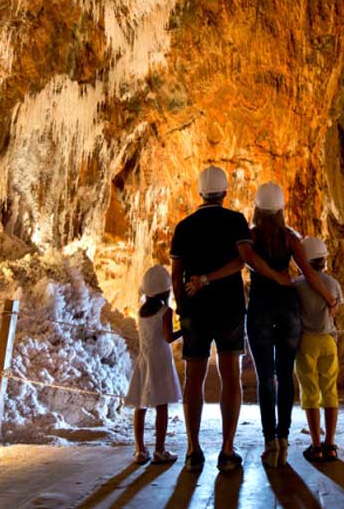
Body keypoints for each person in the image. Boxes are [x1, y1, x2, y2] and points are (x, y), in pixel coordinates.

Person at [169, 166, 291, 474]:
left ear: (200, 193)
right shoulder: (236, 221)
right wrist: (213, 278)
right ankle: (226, 450)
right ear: (225, 193)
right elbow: (244, 260)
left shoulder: (184, 227)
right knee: (230, 376)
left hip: (195, 310)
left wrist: (183, 308)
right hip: (229, 308)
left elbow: (176, 274)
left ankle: (193, 450)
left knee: (193, 378)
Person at [247, 182, 339, 469]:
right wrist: (330, 299)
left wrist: (270, 276)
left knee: (266, 378)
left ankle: (270, 443)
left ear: (257, 209)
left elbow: (246, 259)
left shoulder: (250, 238)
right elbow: (308, 273)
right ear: (281, 210)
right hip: (287, 310)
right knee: (285, 376)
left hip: (261, 308)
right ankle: (284, 439)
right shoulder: (290, 239)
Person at [293, 236, 344, 463]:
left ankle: (316, 445)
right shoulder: (333, 283)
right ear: (323, 259)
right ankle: (330, 444)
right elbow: (335, 311)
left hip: (306, 341)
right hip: (328, 340)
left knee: (310, 393)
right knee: (330, 391)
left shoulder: (297, 286)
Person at [124, 264, 182, 465]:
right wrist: (185, 330)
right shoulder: (166, 311)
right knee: (161, 406)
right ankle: (160, 450)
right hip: (161, 362)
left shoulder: (141, 312)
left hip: (144, 359)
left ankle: (140, 450)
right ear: (166, 291)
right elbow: (168, 337)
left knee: (140, 406)